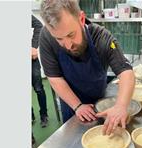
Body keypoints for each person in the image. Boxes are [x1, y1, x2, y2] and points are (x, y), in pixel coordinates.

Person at [39, 0, 135, 135]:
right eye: (59, 39)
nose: (67, 45)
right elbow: (55, 78)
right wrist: (77, 106)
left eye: (71, 35)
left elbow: (126, 72)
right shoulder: (47, 37)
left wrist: (121, 106)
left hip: (100, 102)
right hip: (71, 104)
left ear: (81, 19)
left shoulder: (102, 37)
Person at [32, 15, 49, 128]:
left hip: (30, 59)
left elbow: (39, 25)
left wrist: (32, 47)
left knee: (38, 88)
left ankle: (44, 115)